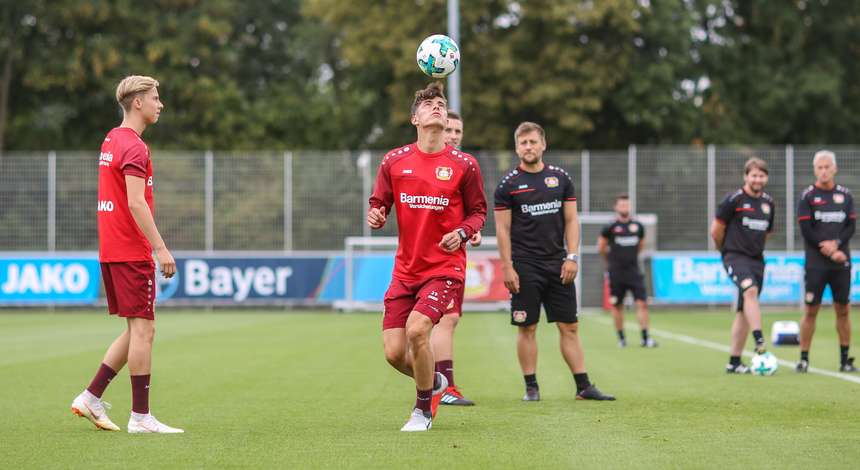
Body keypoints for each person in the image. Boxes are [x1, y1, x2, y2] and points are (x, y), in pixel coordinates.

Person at [368, 82, 487, 431]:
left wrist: (462, 232)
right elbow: (379, 203)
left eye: (441, 103)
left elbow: (478, 212)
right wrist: (376, 213)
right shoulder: (394, 161)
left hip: (445, 269)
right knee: (393, 352)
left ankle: (422, 411)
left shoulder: (465, 165)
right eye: (429, 104)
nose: (436, 107)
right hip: (405, 270)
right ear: (414, 118)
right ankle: (434, 383)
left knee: (418, 330)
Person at [70, 75, 183, 433]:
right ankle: (141, 417)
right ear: (138, 102)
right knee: (144, 330)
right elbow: (135, 202)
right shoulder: (134, 146)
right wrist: (160, 248)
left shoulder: (111, 139)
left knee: (136, 328)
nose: (159, 104)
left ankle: (91, 396)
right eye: (155, 97)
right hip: (130, 249)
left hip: (112, 247)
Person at [494, 121, 615, 402]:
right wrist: (507, 266)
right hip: (524, 266)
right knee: (527, 327)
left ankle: (583, 387)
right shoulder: (508, 185)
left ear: (543, 144)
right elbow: (502, 229)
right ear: (516, 148)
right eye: (523, 143)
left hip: (558, 264)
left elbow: (572, 221)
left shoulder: (560, 178)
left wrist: (572, 256)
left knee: (569, 326)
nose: (528, 147)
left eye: (533, 142)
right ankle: (531, 387)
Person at [431, 109, 480, 407]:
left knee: (446, 320)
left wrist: (469, 232)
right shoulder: (426, 163)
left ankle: (434, 382)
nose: (453, 136)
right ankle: (443, 386)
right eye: (448, 129)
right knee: (445, 320)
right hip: (432, 258)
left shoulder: (464, 168)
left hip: (454, 254)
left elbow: (473, 213)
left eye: (458, 132)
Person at [710, 157, 775, 374]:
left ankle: (734, 362)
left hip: (757, 259)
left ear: (766, 178)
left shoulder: (769, 203)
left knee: (743, 310)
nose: (757, 179)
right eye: (753, 175)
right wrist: (725, 251)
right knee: (750, 291)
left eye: (761, 175)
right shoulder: (734, 200)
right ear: (746, 176)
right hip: (734, 256)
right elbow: (716, 229)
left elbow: (767, 233)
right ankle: (760, 342)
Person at [796, 150, 857, 373]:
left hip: (841, 262)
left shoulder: (845, 196)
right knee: (811, 310)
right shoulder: (807, 197)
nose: (823, 171)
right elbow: (806, 230)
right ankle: (803, 359)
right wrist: (830, 250)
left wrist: (837, 244)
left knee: (843, 309)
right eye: (819, 167)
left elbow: (850, 226)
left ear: (835, 169)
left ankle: (844, 360)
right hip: (816, 263)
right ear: (815, 170)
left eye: (827, 167)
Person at [598, 194, 657, 348]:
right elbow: (601, 247)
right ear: (616, 207)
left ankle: (645, 338)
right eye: (622, 205)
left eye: (627, 205)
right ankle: (621, 339)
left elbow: (641, 245)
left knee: (642, 303)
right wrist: (610, 263)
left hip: (634, 272)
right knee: (617, 306)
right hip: (616, 273)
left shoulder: (638, 226)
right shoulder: (609, 227)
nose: (625, 207)